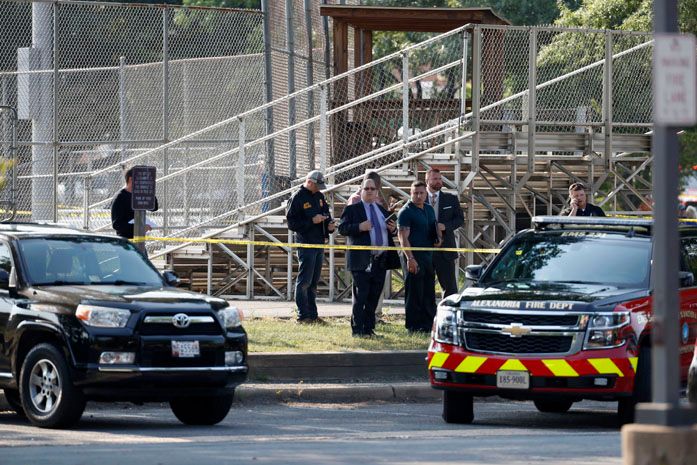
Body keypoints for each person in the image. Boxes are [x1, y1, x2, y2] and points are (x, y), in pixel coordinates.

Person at [339, 178, 397, 337]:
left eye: (373, 188)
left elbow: (391, 232)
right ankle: (357, 330)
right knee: (362, 295)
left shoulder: (382, 210)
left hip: (380, 260)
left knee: (374, 296)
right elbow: (342, 229)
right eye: (367, 188)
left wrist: (393, 230)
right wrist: (359, 227)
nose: (370, 191)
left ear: (377, 191)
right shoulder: (353, 209)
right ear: (361, 190)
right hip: (362, 260)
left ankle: (368, 329)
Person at [286, 170, 335, 324]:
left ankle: (313, 315)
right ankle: (303, 316)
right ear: (310, 182)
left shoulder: (320, 196)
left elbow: (326, 214)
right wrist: (311, 221)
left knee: (314, 281)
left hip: (319, 242)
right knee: (304, 281)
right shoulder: (297, 197)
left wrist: (330, 225)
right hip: (306, 243)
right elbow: (291, 223)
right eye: (317, 185)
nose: (320, 188)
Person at [397, 180, 441, 333]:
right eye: (415, 193)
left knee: (428, 291)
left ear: (425, 194)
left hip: (428, 256)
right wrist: (410, 258)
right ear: (411, 193)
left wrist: (438, 238)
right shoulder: (406, 211)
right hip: (413, 257)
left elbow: (434, 228)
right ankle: (413, 326)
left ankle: (428, 325)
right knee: (414, 292)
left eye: (421, 193)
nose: (418, 196)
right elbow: (402, 237)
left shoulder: (429, 209)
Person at [425, 168, 465, 298]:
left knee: (450, 288)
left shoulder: (451, 199)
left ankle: (448, 315)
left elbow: (460, 219)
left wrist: (446, 226)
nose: (438, 181)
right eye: (435, 179)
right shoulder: (419, 198)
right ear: (427, 180)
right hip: (424, 249)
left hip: (445, 250)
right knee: (425, 287)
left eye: (440, 179)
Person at [111, 167, 159, 239]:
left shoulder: (140, 193)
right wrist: (140, 228)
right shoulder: (120, 197)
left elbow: (154, 207)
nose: (144, 182)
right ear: (131, 179)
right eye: (141, 180)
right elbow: (117, 224)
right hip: (126, 241)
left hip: (139, 238)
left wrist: (149, 191)